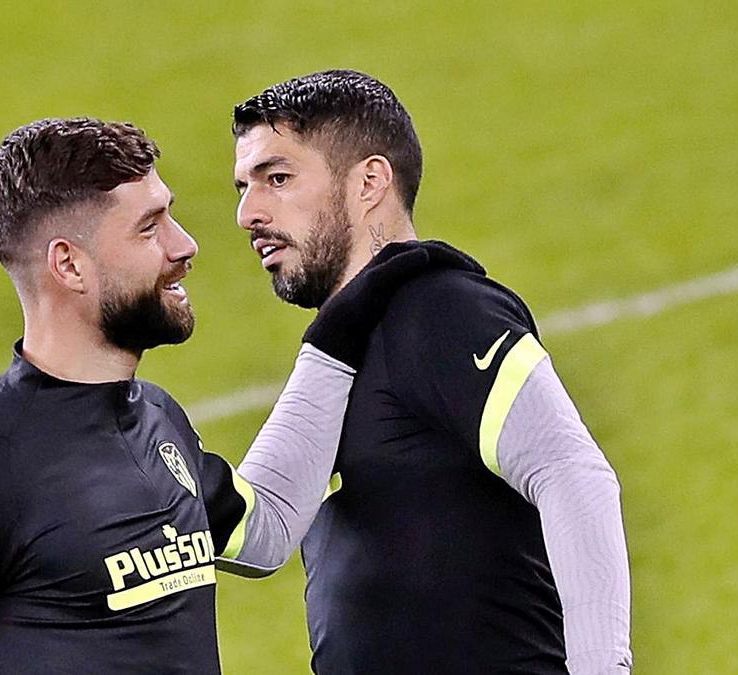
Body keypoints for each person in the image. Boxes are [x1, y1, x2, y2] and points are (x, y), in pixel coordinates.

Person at [0, 116, 449, 674]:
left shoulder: (157, 421)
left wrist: (343, 324)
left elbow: (265, 529)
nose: (185, 245)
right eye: (149, 227)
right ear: (69, 265)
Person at [230, 70, 633, 674]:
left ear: (369, 182)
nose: (247, 213)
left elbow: (571, 471)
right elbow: (259, 534)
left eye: (278, 179)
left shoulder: (441, 310)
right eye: (243, 186)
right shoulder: (340, 352)